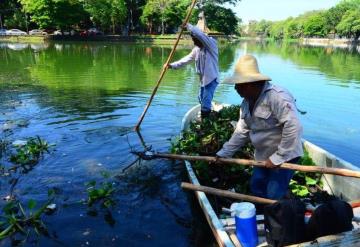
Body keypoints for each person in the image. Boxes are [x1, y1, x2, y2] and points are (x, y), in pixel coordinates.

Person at [216, 54, 304, 200]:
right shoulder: (246, 103)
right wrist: (224, 153)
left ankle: (275, 215)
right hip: (263, 156)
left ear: (249, 84)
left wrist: (278, 158)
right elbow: (241, 132)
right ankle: (262, 213)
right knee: (257, 186)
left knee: (272, 195)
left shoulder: (277, 97)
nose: (236, 89)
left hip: (285, 155)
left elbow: (293, 127)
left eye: (238, 85)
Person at [168, 23, 219, 119]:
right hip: (203, 81)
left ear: (201, 39)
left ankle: (205, 123)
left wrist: (188, 26)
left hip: (211, 79)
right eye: (193, 40)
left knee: (205, 102)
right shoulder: (197, 49)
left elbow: (200, 34)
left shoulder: (211, 44)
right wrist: (171, 65)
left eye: (195, 40)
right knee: (200, 98)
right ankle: (207, 113)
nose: (194, 43)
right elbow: (186, 59)